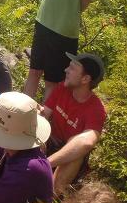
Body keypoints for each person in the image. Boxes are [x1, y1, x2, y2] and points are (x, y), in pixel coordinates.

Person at [40, 53, 106, 194]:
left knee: (76, 152)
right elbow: (44, 114)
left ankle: (48, 199)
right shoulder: (62, 88)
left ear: (85, 79)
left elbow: (87, 142)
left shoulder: (96, 109)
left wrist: (46, 163)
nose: (66, 70)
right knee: (36, 124)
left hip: (69, 157)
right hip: (52, 142)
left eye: (72, 68)